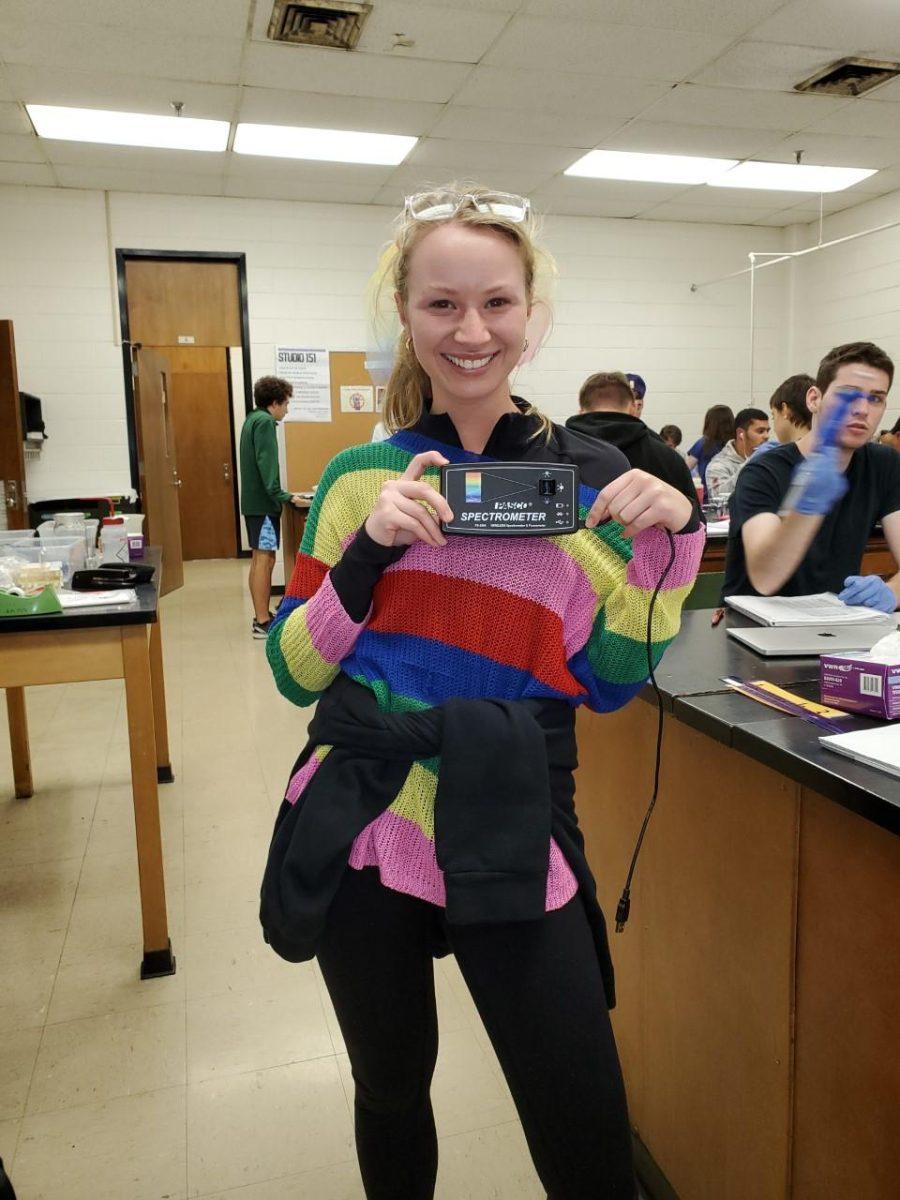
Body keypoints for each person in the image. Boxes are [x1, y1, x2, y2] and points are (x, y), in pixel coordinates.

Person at [261, 184, 705, 1200]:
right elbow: (294, 670)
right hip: (365, 814)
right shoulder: (357, 480)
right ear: (407, 318)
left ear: (532, 316)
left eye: (497, 304)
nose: (471, 331)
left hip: (510, 810)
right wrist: (369, 556)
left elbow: (609, 683)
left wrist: (675, 548)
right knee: (390, 1093)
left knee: (587, 1135)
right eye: (441, 305)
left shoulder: (593, 480)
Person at [723, 341, 900, 610]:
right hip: (755, 631)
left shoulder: (883, 464)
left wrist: (892, 591)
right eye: (848, 395)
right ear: (814, 399)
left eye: (876, 398)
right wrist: (806, 504)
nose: (863, 409)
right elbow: (765, 577)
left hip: (835, 624)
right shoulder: (763, 471)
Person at [239, 375, 305, 638]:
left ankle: (261, 615)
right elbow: (267, 464)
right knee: (265, 560)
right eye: (286, 404)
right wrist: (284, 496)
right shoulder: (265, 423)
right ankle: (262, 621)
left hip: (255, 505)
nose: (287, 410)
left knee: (259, 559)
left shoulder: (252, 419)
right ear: (274, 402)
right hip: (264, 507)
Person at [566, 371, 697, 503]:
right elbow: (695, 521)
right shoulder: (668, 459)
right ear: (634, 408)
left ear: (581, 410)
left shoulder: (556, 452)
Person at [704, 407, 770, 501]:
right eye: (760, 431)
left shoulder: (767, 460)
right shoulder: (718, 465)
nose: (767, 436)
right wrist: (750, 465)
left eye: (768, 431)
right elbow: (719, 497)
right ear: (741, 433)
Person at [749, 373, 814, 460]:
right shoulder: (829, 454)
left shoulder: (769, 459)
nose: (774, 428)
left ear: (784, 410)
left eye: (773, 416)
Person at [686, 405, 735, 498]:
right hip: (732, 494)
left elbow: (684, 469)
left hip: (709, 497)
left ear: (710, 423)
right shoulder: (734, 444)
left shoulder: (702, 444)